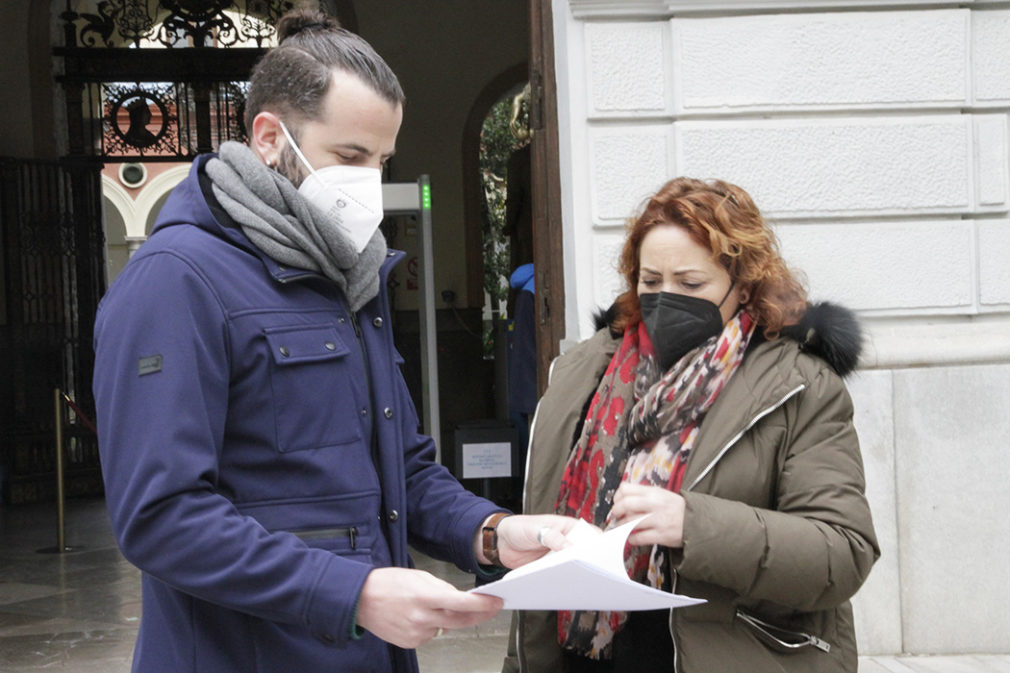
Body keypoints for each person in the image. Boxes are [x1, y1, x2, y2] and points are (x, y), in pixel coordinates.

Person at [92, 10, 578, 673]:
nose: (369, 182)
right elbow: (162, 516)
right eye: (350, 156)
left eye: (381, 160)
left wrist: (491, 532)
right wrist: (355, 591)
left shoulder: (352, 274)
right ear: (270, 137)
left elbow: (400, 467)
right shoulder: (175, 281)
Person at [502, 177, 879, 673]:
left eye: (691, 284)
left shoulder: (798, 386)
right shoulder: (584, 373)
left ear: (743, 286)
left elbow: (842, 552)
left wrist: (694, 525)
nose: (665, 299)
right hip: (581, 657)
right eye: (651, 281)